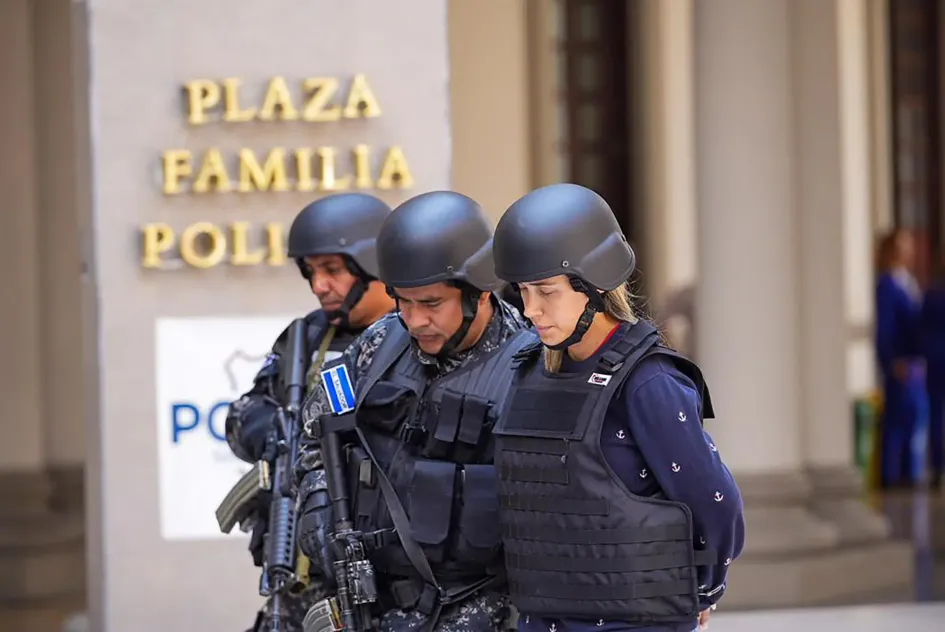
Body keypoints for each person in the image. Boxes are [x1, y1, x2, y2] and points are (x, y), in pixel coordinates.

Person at [490, 183, 745, 632]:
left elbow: (715, 502)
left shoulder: (649, 383)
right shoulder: (528, 370)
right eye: (523, 291)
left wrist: (702, 589)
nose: (530, 310)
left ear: (595, 284)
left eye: (546, 291)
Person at [294, 191, 533, 632]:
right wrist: (321, 514)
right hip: (373, 608)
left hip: (482, 612)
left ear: (477, 293)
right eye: (402, 301)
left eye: (431, 303)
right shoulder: (378, 345)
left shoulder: (530, 366)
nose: (414, 319)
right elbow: (314, 430)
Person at [224, 192, 395, 632]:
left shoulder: (411, 340)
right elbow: (244, 412)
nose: (319, 285)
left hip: (377, 579)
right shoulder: (306, 338)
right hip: (299, 580)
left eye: (332, 270)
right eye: (312, 271)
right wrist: (278, 434)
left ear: (373, 264)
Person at [874, 229, 928, 488]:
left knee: (914, 419)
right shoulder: (887, 284)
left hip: (915, 363)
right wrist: (891, 361)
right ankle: (894, 476)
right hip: (900, 365)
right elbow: (885, 328)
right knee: (897, 422)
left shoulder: (908, 281)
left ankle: (912, 472)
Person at [922, 252, 945, 488]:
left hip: (935, 361)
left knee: (936, 416)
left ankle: (938, 467)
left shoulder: (931, 293)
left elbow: (923, 328)